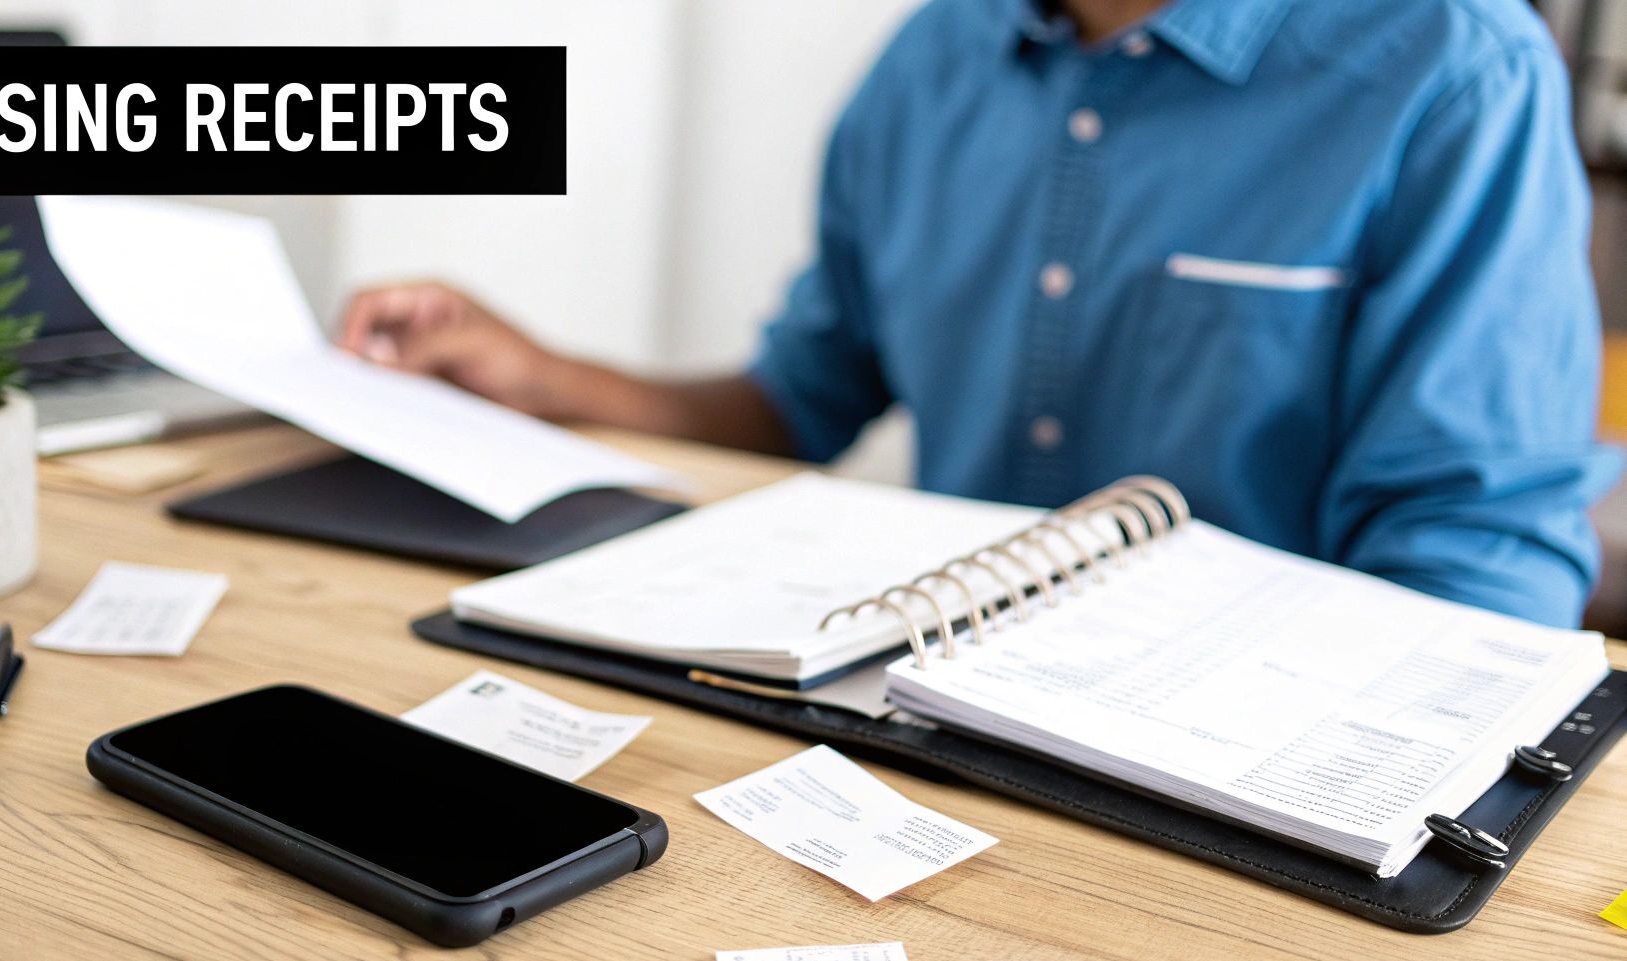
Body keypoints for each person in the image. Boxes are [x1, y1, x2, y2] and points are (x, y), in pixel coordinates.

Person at [337, 0, 1618, 628]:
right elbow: (801, 399)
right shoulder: (932, 58)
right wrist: (542, 374)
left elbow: (1477, 565)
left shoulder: (1451, 65)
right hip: (944, 701)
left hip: (1262, 756)